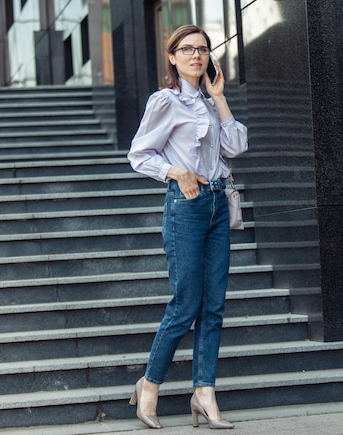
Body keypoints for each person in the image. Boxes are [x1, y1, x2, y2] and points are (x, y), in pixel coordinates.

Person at [126, 24, 248, 430]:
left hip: (216, 202)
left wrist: (220, 98)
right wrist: (175, 171)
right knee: (186, 305)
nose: (197, 55)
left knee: (214, 306)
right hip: (187, 206)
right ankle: (150, 387)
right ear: (173, 57)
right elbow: (139, 154)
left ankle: (204, 393)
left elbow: (237, 147)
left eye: (203, 49)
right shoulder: (166, 101)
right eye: (187, 49)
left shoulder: (211, 103)